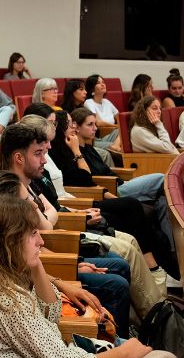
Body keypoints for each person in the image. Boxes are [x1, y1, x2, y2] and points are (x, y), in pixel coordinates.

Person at [0, 193, 164, 358]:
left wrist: (36, 263)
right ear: (8, 241)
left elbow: (52, 314)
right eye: (33, 233)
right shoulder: (4, 297)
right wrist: (125, 352)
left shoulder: (5, 274)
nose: (41, 241)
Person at [19, 115, 168, 318]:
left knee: (134, 227)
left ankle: (155, 310)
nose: (45, 155)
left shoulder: (34, 174)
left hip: (68, 218)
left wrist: (68, 215)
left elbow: (50, 212)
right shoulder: (17, 186)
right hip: (63, 238)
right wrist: (72, 264)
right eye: (39, 151)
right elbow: (44, 227)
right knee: (123, 261)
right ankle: (155, 317)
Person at [0, 124, 134, 335]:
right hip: (42, 271)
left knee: (119, 264)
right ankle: (114, 339)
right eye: (38, 153)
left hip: (47, 259)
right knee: (117, 283)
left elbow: (46, 224)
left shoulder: (28, 183)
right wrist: (73, 268)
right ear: (19, 158)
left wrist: (78, 262)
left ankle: (120, 332)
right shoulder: (12, 191)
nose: (44, 160)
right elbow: (39, 235)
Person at [49, 109, 177, 274]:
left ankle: (171, 264)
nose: (73, 126)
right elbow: (86, 179)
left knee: (161, 202)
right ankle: (157, 267)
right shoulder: (64, 153)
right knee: (162, 179)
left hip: (110, 188)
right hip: (91, 197)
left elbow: (103, 174)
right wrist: (77, 152)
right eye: (70, 123)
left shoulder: (85, 148)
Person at [83, 74, 121, 150]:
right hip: (101, 135)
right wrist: (116, 126)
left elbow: (119, 117)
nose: (102, 84)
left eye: (103, 82)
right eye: (98, 83)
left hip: (114, 132)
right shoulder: (89, 102)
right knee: (122, 131)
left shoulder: (106, 102)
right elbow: (98, 122)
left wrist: (119, 125)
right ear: (92, 88)